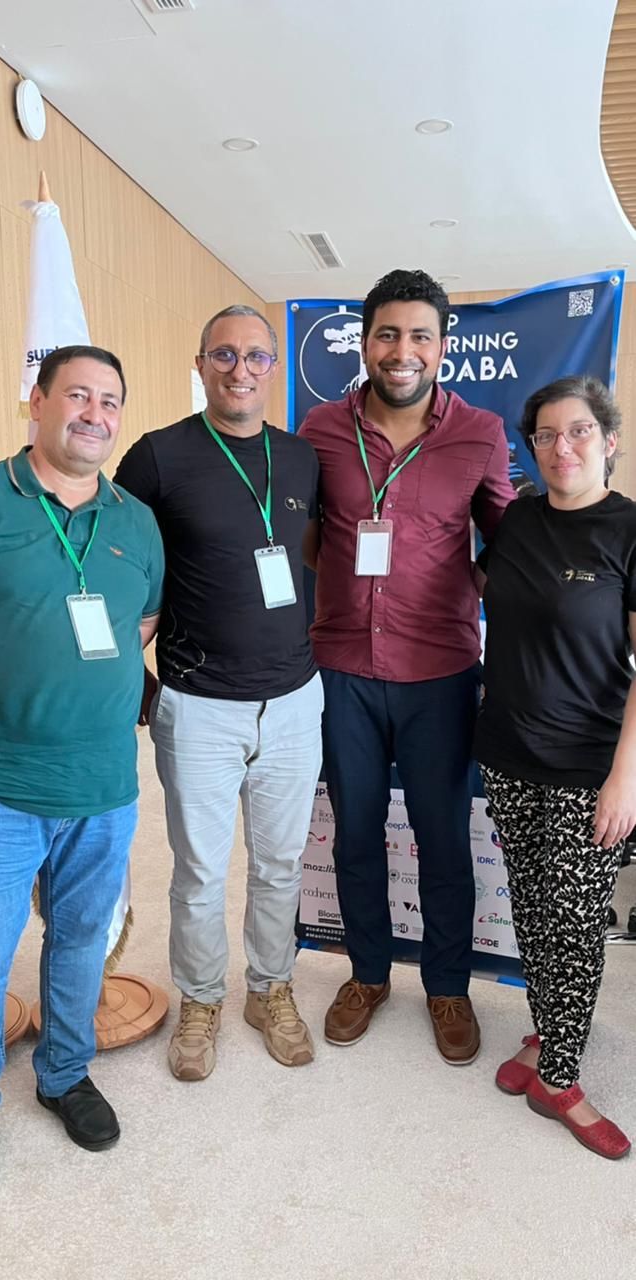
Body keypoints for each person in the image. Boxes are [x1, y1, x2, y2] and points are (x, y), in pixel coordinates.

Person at [0, 346, 165, 1203]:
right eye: (78, 396)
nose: (94, 414)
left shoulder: (135, 520)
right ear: (36, 401)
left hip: (103, 784)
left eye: (110, 401)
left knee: (80, 944)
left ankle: (64, 1075)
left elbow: (140, 625)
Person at [299, 269, 513, 1062]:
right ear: (365, 342)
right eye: (388, 333)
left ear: (443, 347)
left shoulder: (481, 433)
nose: (403, 350)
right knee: (354, 832)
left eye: (420, 335)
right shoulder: (320, 428)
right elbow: (311, 536)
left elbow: (504, 546)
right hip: (343, 668)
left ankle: (449, 987)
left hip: (441, 672)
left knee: (443, 836)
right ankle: (367, 973)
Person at [115, 305, 323, 1080]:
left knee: (279, 863)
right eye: (224, 355)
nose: (242, 369)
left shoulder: (302, 459)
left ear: (274, 368)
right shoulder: (158, 457)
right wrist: (123, 672)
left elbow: (320, 562)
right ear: (200, 365)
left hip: (296, 701)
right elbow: (117, 562)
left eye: (257, 357)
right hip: (198, 703)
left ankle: (268, 987)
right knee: (201, 869)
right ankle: (201, 996)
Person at [475, 375, 635, 1159]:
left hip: (589, 767)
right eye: (545, 434)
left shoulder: (628, 530)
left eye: (577, 432)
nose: (561, 447)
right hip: (508, 753)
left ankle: (561, 1079)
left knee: (575, 927)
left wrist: (625, 778)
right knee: (534, 910)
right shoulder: (517, 521)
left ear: (608, 441)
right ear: (530, 447)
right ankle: (547, 1031)